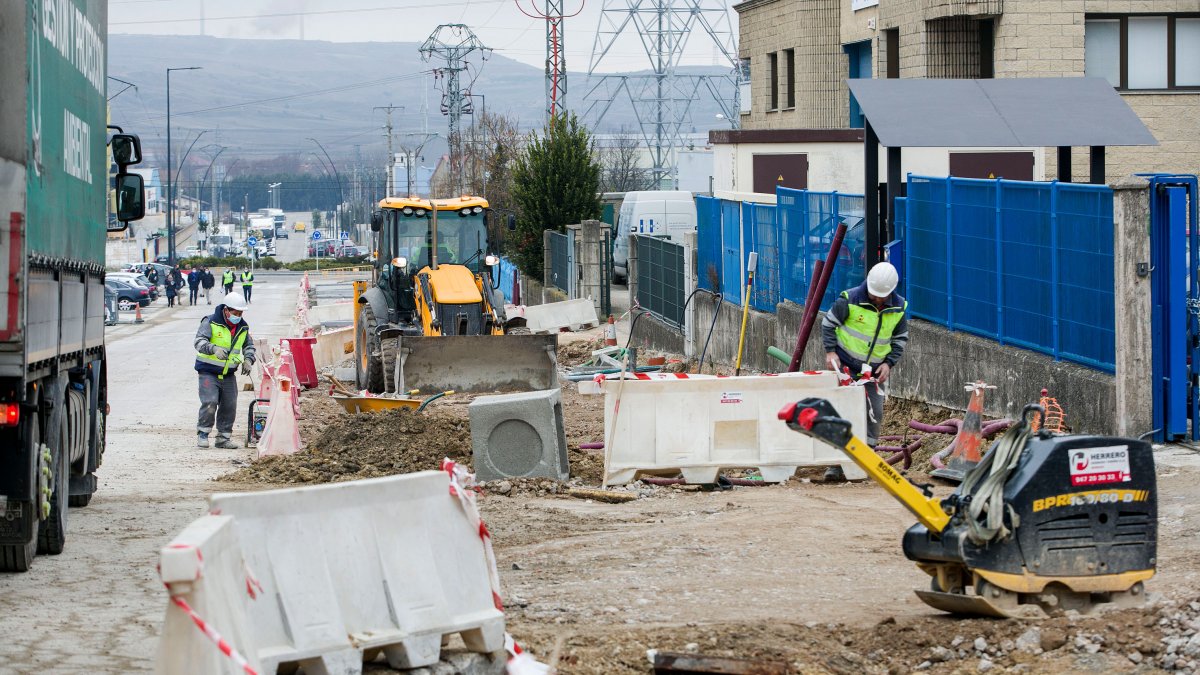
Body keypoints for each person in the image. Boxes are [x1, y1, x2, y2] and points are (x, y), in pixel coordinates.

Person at [820, 261, 908, 481]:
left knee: (874, 415)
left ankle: (866, 461)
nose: (877, 299)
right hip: (846, 368)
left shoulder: (898, 309)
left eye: (881, 296)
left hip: (874, 372)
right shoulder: (850, 300)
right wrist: (831, 353)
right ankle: (837, 464)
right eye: (874, 294)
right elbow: (828, 324)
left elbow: (899, 340)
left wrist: (889, 363)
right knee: (842, 412)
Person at [194, 291, 257, 449]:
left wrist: (248, 360)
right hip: (208, 372)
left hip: (228, 374)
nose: (238, 315)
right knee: (210, 402)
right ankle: (203, 434)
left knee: (230, 404)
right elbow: (199, 342)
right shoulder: (210, 322)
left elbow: (248, 346)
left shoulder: (242, 327)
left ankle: (223, 438)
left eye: (241, 312)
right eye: (235, 312)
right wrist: (213, 348)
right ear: (226, 310)